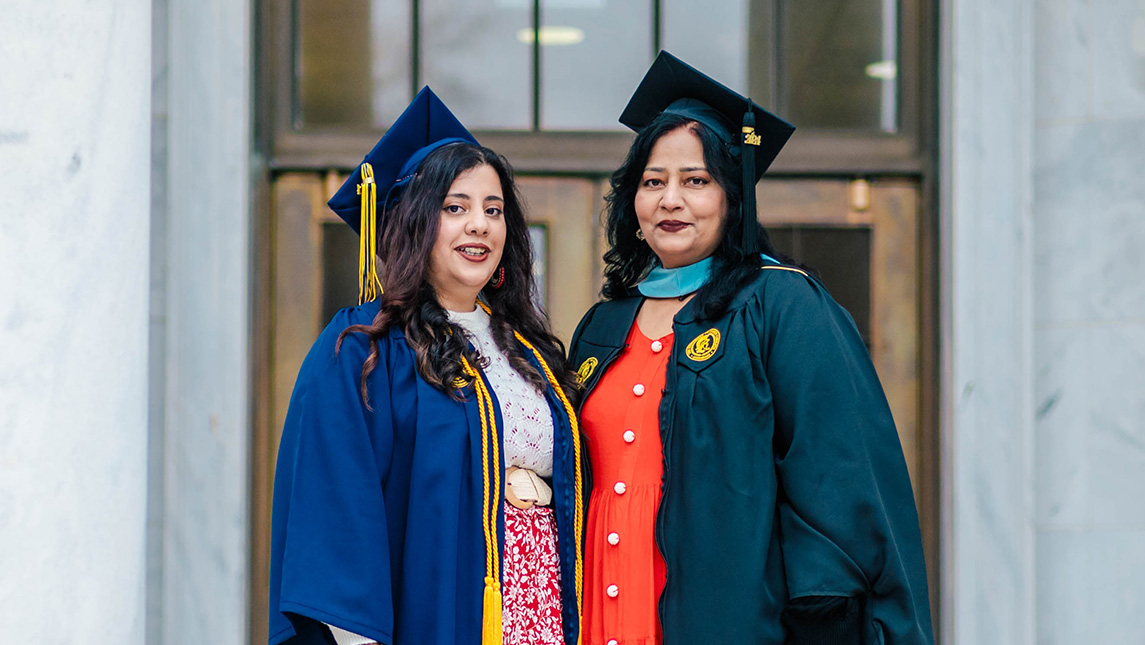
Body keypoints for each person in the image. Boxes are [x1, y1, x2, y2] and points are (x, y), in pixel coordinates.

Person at [568, 52, 933, 645]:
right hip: (600, 613)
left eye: (696, 180)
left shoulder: (783, 304)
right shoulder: (604, 324)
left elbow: (837, 482)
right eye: (653, 182)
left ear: (733, 196)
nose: (670, 199)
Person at [267, 88, 584, 645]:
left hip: (541, 607)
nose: (479, 226)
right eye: (455, 208)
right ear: (416, 222)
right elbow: (337, 509)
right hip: (436, 613)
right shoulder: (365, 351)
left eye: (493, 210)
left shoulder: (529, 352)